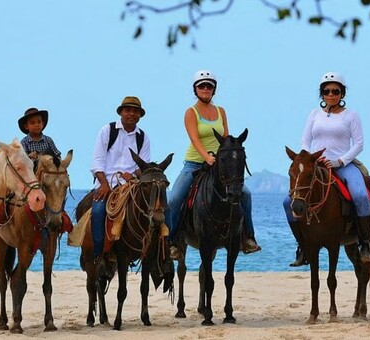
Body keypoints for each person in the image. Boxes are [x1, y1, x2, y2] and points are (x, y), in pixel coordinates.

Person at [166, 70, 261, 259]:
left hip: (219, 164)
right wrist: (206, 157)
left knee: (246, 194)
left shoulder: (221, 111)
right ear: (196, 89)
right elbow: (194, 139)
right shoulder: (191, 112)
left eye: (209, 85)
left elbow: (225, 137)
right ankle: (171, 242)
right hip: (194, 163)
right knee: (175, 198)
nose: (206, 88)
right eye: (202, 85)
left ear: (214, 89)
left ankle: (248, 238)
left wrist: (230, 153)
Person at [283, 72, 370, 266]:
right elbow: (305, 141)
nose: (331, 94)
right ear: (321, 94)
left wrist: (339, 161)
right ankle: (302, 246)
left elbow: (358, 144)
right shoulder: (314, 114)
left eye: (335, 91)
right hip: (316, 164)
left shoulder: (351, 115)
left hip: (343, 164)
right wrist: (309, 159)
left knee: (359, 195)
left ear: (342, 93)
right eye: (326, 91)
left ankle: (365, 243)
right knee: (286, 201)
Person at [90, 96, 151, 277]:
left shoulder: (143, 137)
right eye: (128, 110)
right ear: (121, 112)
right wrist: (104, 184)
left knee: (154, 210)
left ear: (140, 115)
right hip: (107, 182)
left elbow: (144, 166)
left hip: (131, 185)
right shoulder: (107, 131)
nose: (131, 114)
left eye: (135, 111)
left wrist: (133, 175)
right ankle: (99, 254)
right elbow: (97, 160)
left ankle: (156, 255)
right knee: (98, 211)